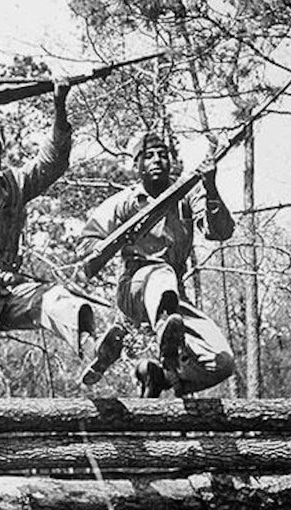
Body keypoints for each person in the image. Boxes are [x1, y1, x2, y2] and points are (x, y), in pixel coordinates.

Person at [0, 81, 125, 397]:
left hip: (13, 289)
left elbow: (52, 162)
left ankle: (92, 347)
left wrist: (59, 104)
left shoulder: (14, 183)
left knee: (58, 301)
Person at [79, 132, 236, 397]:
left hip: (172, 294)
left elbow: (219, 232)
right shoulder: (125, 203)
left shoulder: (185, 196)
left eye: (163, 155)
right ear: (137, 165)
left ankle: (160, 376)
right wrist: (113, 243)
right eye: (148, 156)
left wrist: (210, 185)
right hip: (134, 290)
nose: (157, 161)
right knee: (160, 273)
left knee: (222, 363)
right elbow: (87, 246)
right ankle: (163, 335)